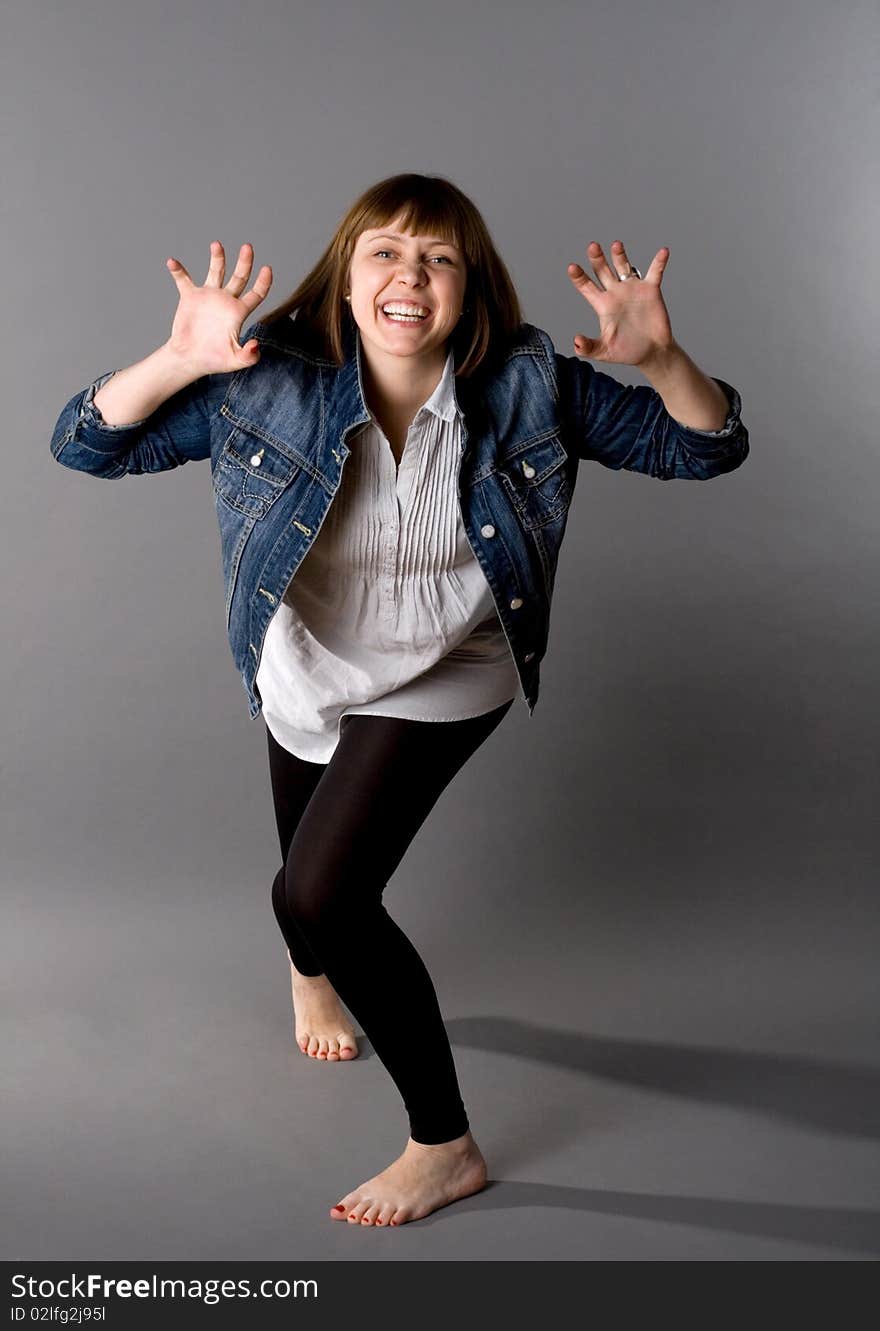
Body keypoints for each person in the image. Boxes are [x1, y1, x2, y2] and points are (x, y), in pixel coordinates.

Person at [49, 172, 750, 1229]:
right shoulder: (269, 382)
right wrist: (180, 360)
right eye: (385, 251)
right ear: (346, 277)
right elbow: (87, 443)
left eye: (439, 258)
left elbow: (706, 448)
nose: (409, 276)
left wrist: (664, 364)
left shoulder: (529, 386)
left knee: (326, 891)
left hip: (448, 661)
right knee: (300, 892)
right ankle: (311, 974)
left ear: (468, 290)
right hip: (309, 653)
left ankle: (444, 1142)